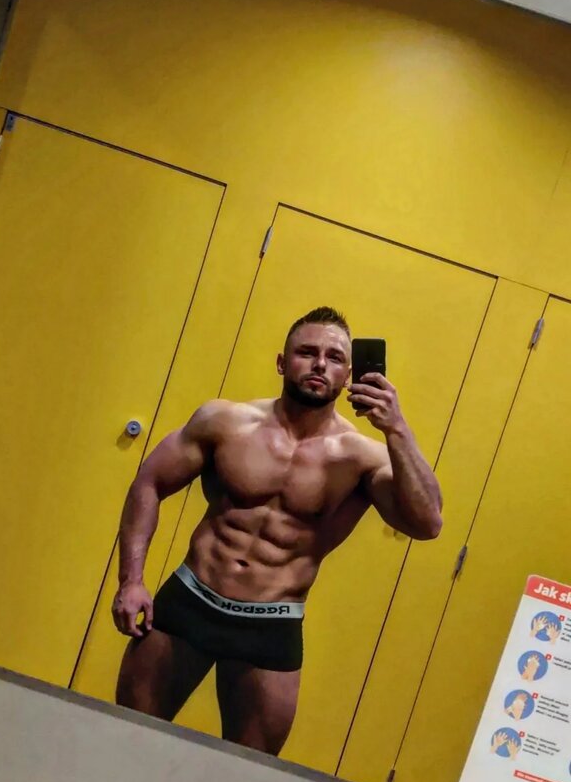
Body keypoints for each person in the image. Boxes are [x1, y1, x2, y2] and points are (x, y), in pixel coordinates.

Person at [112, 306, 442, 755]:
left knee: (248, 775)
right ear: (283, 363)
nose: (320, 364)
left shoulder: (362, 457)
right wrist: (131, 581)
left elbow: (427, 523)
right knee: (126, 742)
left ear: (349, 375)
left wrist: (397, 430)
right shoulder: (225, 422)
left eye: (334, 357)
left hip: (271, 624)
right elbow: (149, 483)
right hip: (190, 602)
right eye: (307, 352)